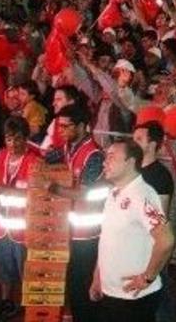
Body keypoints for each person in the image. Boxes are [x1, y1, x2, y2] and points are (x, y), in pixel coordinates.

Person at [90, 139, 175, 322]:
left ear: (130, 162)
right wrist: (98, 276)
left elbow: (166, 240)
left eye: (111, 157)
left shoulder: (143, 195)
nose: (105, 162)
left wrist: (147, 277)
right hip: (112, 292)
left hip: (134, 297)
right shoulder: (113, 193)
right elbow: (107, 239)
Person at [45, 103, 106, 322]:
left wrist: (55, 189)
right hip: (72, 231)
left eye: (65, 126)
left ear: (81, 126)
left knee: (85, 287)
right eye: (58, 126)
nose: (60, 131)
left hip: (89, 234)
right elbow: (45, 158)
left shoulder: (94, 155)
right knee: (75, 286)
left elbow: (85, 194)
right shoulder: (69, 148)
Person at [0, 116, 43, 321]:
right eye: (9, 139)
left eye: (18, 139)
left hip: (24, 227)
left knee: (26, 270)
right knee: (3, 269)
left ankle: (30, 308)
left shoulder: (34, 161)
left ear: (26, 139)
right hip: (2, 226)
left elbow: (36, 195)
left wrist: (4, 189)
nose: (13, 144)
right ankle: (6, 302)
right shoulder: (0, 156)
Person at [132, 121, 176, 322]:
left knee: (159, 294)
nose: (134, 143)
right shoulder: (133, 171)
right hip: (136, 244)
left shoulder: (160, 176)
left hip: (151, 247)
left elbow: (161, 216)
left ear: (152, 145)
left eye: (139, 139)